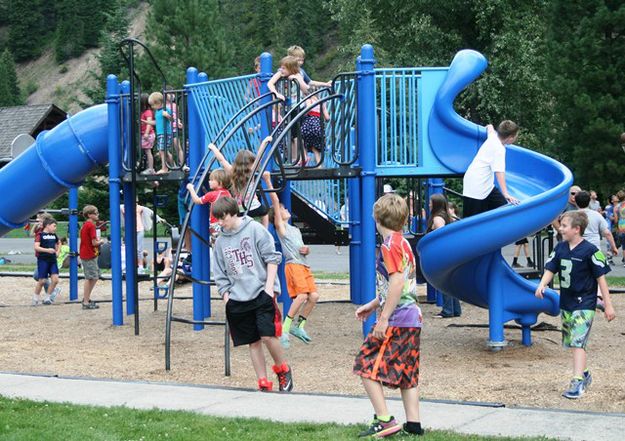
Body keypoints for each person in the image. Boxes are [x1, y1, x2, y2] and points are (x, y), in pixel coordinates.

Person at [353, 193, 423, 437]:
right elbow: (401, 286)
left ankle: (384, 420)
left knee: (365, 364)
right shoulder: (404, 244)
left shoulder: (389, 246)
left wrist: (383, 318)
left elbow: (395, 282)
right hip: (412, 317)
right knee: (407, 372)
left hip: (397, 319)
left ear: (376, 218)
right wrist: (373, 305)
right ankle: (413, 425)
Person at [211, 196, 293, 392]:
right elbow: (220, 273)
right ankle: (263, 381)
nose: (221, 223)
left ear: (233, 213)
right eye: (218, 220)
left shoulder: (255, 229)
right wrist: (226, 297)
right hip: (237, 298)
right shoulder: (220, 242)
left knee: (268, 335)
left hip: (261, 292)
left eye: (224, 218)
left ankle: (283, 370)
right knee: (252, 341)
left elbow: (272, 259)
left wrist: (269, 288)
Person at [535, 210, 615, 399]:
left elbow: (601, 279)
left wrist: (608, 304)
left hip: (585, 302)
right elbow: (550, 268)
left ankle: (577, 380)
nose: (560, 229)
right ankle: (585, 373)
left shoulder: (591, 251)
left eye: (564, 226)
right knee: (573, 341)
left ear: (576, 229)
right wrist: (542, 284)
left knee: (578, 341)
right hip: (567, 301)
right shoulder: (560, 248)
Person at [265, 174, 319, 348]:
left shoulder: (295, 230)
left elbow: (302, 249)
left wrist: (307, 250)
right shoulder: (282, 228)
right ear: (277, 216)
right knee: (302, 295)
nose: (285, 208)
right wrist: (267, 180)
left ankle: (299, 326)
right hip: (293, 266)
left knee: (314, 296)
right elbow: (274, 200)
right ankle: (285, 329)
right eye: (282, 208)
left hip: (303, 265)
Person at [208, 137, 272, 227]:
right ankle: (265, 231)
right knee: (265, 213)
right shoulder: (251, 172)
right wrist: (264, 142)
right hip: (253, 207)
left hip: (240, 209)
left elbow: (222, 160)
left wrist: (213, 148)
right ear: (250, 163)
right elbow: (259, 157)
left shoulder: (232, 172)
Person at [462, 121, 520, 217]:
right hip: (476, 185)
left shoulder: (493, 138)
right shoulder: (499, 149)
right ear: (510, 138)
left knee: (503, 207)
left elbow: (490, 130)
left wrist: (490, 126)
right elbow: (499, 172)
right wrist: (506, 193)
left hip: (487, 186)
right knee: (472, 220)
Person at [428, 194, 461, 318]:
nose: (429, 204)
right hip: (449, 252)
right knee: (450, 281)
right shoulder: (446, 216)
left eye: (431, 202)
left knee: (442, 281)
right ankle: (455, 309)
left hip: (441, 253)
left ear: (436, 203)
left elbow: (441, 236)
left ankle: (447, 310)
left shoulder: (437, 218)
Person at [186, 168, 232, 243]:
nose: (209, 181)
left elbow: (197, 200)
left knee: (216, 245)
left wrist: (191, 189)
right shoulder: (228, 193)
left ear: (220, 182)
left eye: (212, 180)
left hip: (215, 224)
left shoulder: (212, 194)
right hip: (227, 223)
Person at [80, 205, 105, 310]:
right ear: (90, 215)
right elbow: (94, 242)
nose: (98, 215)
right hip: (89, 254)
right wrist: (101, 241)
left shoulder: (86, 225)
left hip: (88, 253)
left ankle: (86, 298)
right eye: (96, 213)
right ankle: (85, 301)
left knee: (94, 276)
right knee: (91, 277)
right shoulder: (91, 226)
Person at [33, 217, 60, 306]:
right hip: (43, 260)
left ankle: (47, 297)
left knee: (55, 280)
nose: (55, 228)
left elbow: (58, 243)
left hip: (52, 260)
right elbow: (36, 247)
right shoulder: (40, 235)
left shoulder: (54, 235)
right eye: (54, 226)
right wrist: (47, 250)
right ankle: (35, 297)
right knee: (42, 281)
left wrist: (58, 251)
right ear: (47, 226)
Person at [300, 90, 330, 165]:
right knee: (315, 148)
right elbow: (327, 118)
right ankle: (319, 165)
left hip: (309, 126)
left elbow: (308, 109)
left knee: (301, 139)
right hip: (319, 127)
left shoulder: (308, 100)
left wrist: (302, 114)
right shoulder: (322, 102)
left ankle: (304, 157)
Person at [148, 91, 173, 174]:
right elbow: (156, 122)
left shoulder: (166, 110)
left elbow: (172, 119)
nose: (152, 107)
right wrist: (145, 122)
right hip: (160, 134)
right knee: (165, 152)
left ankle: (164, 168)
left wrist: (167, 115)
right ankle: (174, 167)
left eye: (153, 105)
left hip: (165, 133)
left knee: (162, 151)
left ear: (158, 103)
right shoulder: (157, 112)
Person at [139, 93, 155, 174]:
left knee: (148, 151)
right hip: (146, 134)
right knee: (147, 151)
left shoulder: (148, 112)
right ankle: (150, 168)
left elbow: (149, 123)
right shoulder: (144, 112)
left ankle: (151, 169)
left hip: (148, 134)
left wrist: (146, 133)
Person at [614, 190, 625, 265]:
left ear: (618, 198)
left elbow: (616, 220)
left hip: (621, 225)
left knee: (624, 244)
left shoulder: (616, 207)